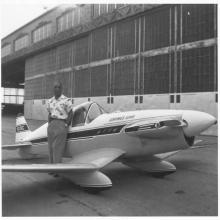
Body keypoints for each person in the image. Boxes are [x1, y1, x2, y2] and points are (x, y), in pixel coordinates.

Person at [46, 81, 73, 163]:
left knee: (57, 148)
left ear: (62, 89)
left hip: (62, 124)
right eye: (55, 87)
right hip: (52, 124)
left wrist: (66, 124)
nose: (57, 89)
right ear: (53, 89)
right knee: (50, 148)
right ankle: (51, 168)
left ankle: (57, 169)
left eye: (59, 87)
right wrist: (49, 124)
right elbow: (50, 113)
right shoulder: (50, 101)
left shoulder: (66, 100)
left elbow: (71, 113)